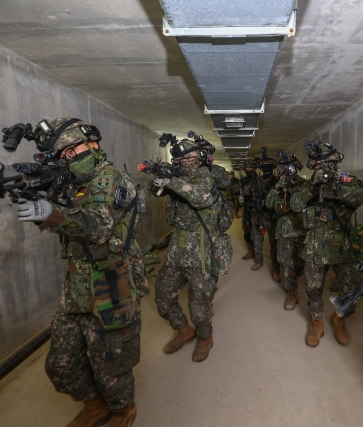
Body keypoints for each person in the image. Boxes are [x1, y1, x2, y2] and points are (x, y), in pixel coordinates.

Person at [17, 117, 146, 427]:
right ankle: (95, 404)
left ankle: (121, 408)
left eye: (71, 152)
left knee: (110, 365)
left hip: (111, 282)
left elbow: (97, 227)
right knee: (60, 365)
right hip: (76, 286)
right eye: (62, 156)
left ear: (93, 145)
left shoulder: (111, 179)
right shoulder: (76, 185)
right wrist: (42, 203)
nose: (68, 159)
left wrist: (51, 214)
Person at [290, 141, 363, 347]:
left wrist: (338, 190)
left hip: (342, 245)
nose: (323, 170)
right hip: (315, 245)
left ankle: (339, 318)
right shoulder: (309, 185)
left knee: (352, 290)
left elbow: (360, 197)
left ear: (336, 165)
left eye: (328, 165)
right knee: (313, 289)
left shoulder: (346, 181)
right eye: (318, 167)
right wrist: (313, 190)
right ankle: (316, 323)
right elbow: (295, 204)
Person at [151, 140, 220, 362]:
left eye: (185, 160)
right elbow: (158, 193)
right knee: (163, 296)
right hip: (176, 249)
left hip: (199, 251)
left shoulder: (204, 177)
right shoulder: (178, 178)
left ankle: (205, 337)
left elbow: (199, 198)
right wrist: (161, 177)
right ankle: (183, 330)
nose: (181, 164)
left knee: (198, 306)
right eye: (178, 160)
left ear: (197, 159)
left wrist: (172, 179)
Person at [265, 152, 306, 310]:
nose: (288, 171)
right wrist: (278, 187)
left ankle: (301, 284)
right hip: (284, 232)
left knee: (301, 264)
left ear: (297, 168)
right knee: (287, 264)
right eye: (284, 168)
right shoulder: (278, 186)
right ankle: (291, 292)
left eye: (291, 168)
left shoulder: (304, 185)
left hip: (302, 230)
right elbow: (269, 204)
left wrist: (294, 189)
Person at [249, 149, 281, 282]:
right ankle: (259, 261)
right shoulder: (256, 180)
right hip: (258, 214)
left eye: (268, 162)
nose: (266, 164)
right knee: (257, 239)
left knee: (274, 243)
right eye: (264, 163)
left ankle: (275, 269)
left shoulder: (277, 181)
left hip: (272, 216)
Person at [241, 159, 257, 261]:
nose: (248, 169)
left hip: (256, 209)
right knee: (246, 230)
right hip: (246, 208)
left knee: (256, 232)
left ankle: (257, 252)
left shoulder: (258, 180)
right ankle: (251, 251)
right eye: (247, 167)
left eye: (250, 167)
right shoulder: (243, 180)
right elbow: (236, 189)